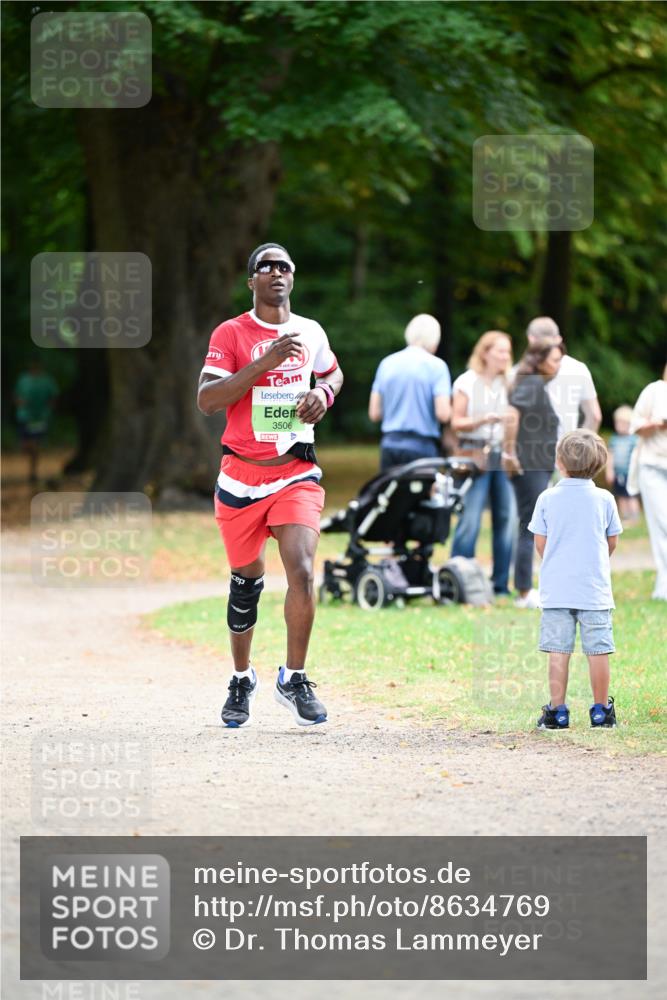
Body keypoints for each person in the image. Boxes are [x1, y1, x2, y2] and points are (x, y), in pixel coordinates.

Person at [197, 243, 344, 728]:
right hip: (240, 476)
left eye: (285, 266)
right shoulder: (231, 332)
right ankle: (242, 679)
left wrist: (322, 394)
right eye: (267, 266)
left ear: (292, 279)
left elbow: (333, 373)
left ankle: (294, 677)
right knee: (246, 585)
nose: (277, 272)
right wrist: (263, 363)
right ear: (252, 281)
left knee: (302, 571)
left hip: (295, 472)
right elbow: (207, 399)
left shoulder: (312, 331)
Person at [529, 430, 622, 730]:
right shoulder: (604, 498)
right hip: (594, 590)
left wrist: (558, 563)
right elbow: (612, 541)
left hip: (557, 590)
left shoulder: (547, 498)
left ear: (560, 462)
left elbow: (541, 544)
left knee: (559, 650)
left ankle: (557, 712)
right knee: (598, 650)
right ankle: (600, 712)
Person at [449, 330, 515, 596]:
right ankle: (459, 580)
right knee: (470, 518)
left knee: (507, 517)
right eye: (500, 350)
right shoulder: (466, 381)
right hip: (474, 454)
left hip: (501, 453)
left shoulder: (508, 384)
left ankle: (500, 584)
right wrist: (482, 420)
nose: (505, 356)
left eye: (508, 351)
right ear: (485, 352)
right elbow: (456, 422)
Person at [504, 342, 563, 608]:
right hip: (529, 465)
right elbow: (511, 416)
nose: (558, 366)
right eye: (554, 360)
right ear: (539, 361)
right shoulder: (531, 384)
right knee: (530, 525)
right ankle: (525, 592)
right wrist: (509, 454)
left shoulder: (536, 383)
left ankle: (526, 588)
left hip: (539, 464)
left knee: (532, 524)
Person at [368, 314, 451, 470]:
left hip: (390, 444)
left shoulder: (386, 363)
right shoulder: (437, 366)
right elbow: (443, 414)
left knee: (391, 493)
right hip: (422, 447)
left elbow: (374, 413)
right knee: (421, 494)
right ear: (435, 339)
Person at [518, 316, 601, 435]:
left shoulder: (520, 371)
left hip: (530, 449)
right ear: (558, 338)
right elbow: (594, 416)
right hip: (565, 449)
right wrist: (578, 448)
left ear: (531, 339)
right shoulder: (578, 368)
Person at [628, 368, 667, 600]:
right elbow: (636, 426)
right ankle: (664, 584)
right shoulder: (654, 391)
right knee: (661, 523)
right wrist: (657, 424)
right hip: (652, 465)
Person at [14, 358, 58, 483]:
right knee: (26, 445)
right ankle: (31, 466)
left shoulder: (47, 380)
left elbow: (53, 397)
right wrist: (20, 403)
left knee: (35, 444)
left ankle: (33, 472)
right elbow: (17, 395)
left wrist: (48, 410)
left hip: (40, 417)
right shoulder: (23, 379)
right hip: (25, 416)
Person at [605, 405, 640, 523]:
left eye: (624, 423)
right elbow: (610, 457)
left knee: (631, 495)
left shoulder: (634, 439)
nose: (621, 426)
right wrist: (609, 471)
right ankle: (624, 518)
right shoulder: (614, 440)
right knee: (620, 495)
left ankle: (634, 518)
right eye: (618, 423)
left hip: (630, 474)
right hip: (617, 473)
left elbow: (637, 458)